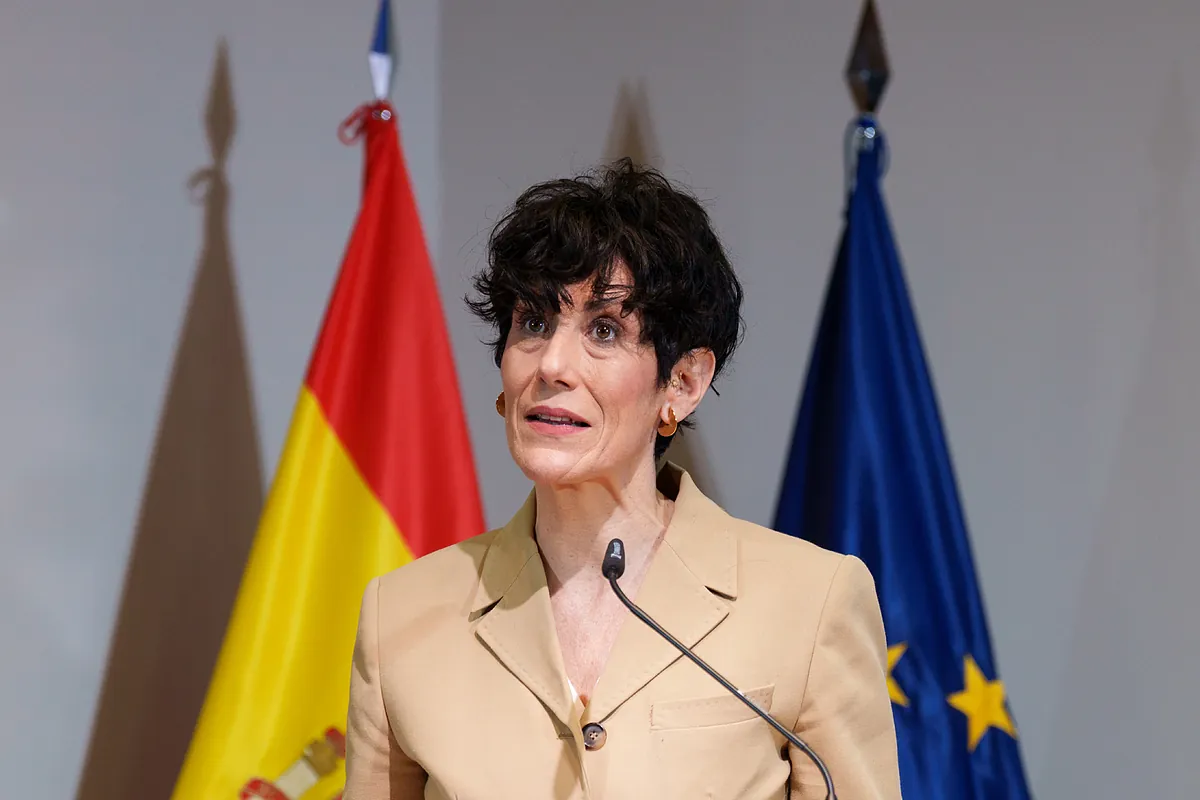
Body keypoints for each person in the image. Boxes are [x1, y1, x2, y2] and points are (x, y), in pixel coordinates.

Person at [343, 159, 901, 799]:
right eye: (533, 323)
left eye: (603, 331)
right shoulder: (400, 616)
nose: (552, 364)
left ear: (682, 383)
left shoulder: (812, 601)